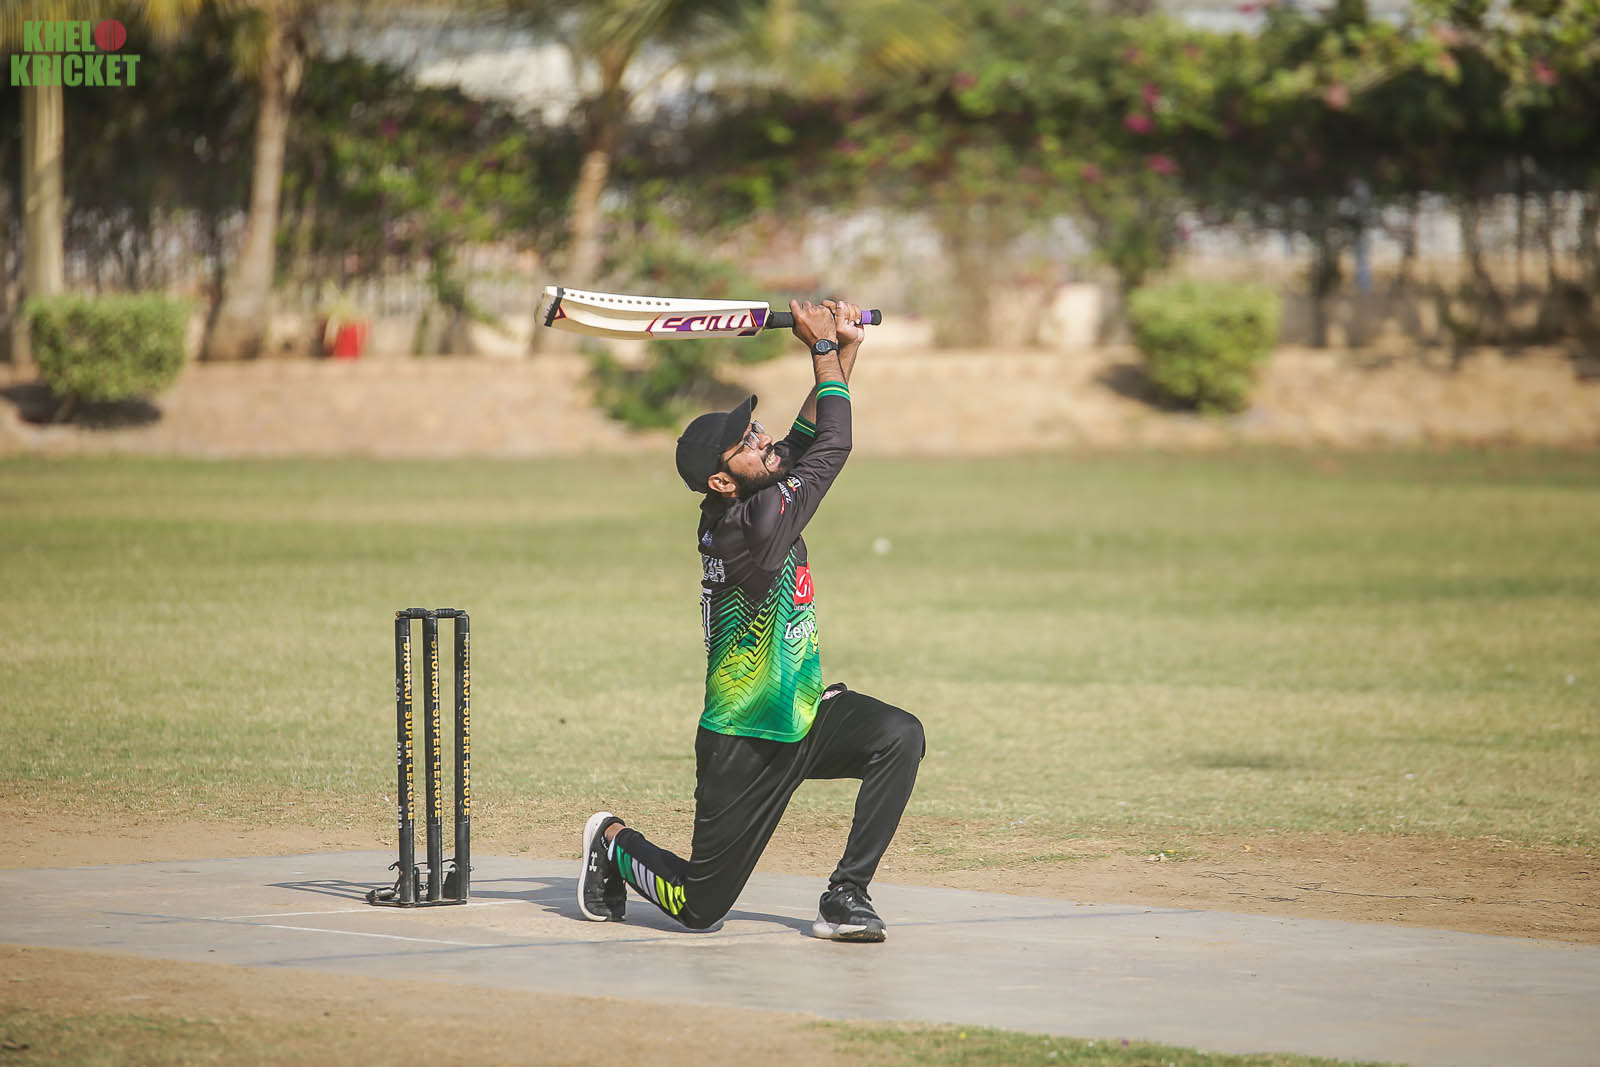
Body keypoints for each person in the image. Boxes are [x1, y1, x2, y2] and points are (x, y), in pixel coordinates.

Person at [577, 298, 925, 942]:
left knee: (899, 736)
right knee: (698, 908)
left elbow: (807, 434)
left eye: (755, 430)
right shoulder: (753, 525)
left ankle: (846, 895)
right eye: (746, 443)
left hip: (804, 713)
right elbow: (835, 444)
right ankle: (612, 842)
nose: (763, 441)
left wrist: (844, 348)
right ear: (720, 481)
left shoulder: (756, 490)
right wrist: (820, 350)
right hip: (744, 738)